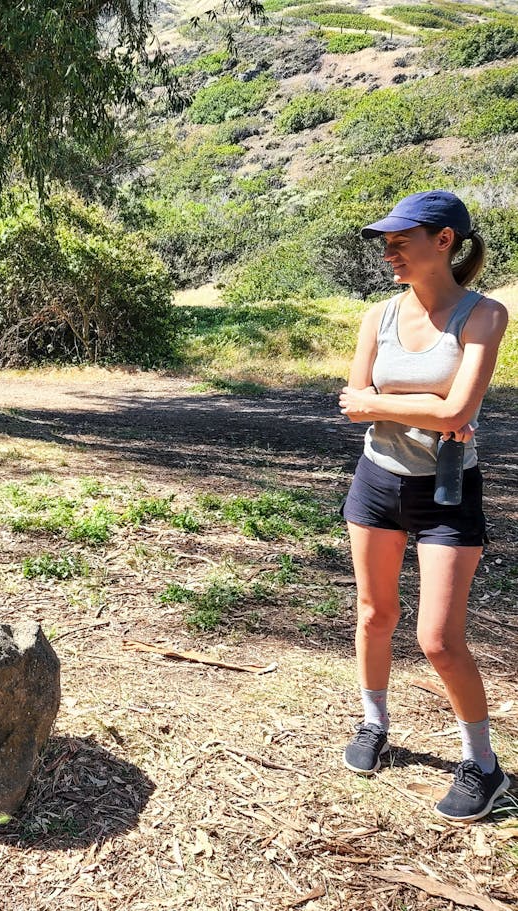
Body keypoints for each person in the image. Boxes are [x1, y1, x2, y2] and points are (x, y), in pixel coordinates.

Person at [337, 189, 510, 822]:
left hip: (446, 489)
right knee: (374, 612)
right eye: (384, 242)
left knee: (438, 640)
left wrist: (398, 407)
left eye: (399, 240)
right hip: (377, 479)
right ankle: (374, 723)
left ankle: (483, 766)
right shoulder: (378, 316)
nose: (388, 252)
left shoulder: (483, 316)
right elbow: (352, 400)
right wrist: (428, 411)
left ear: (444, 241)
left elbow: (458, 412)